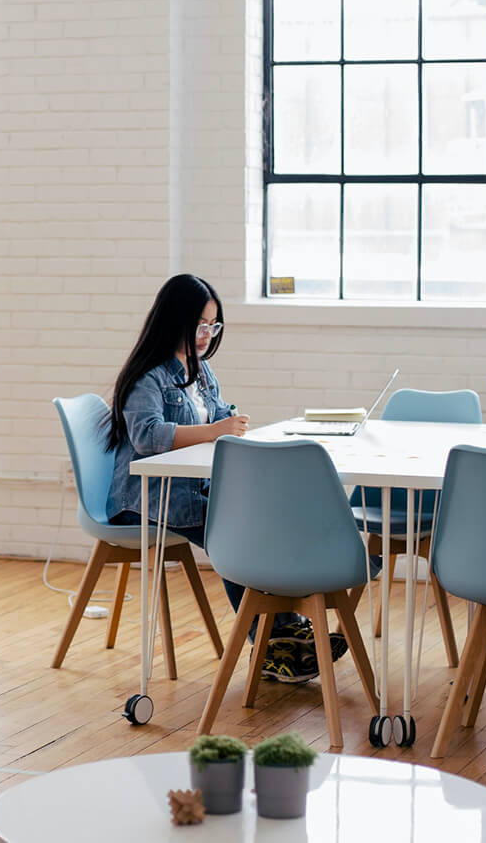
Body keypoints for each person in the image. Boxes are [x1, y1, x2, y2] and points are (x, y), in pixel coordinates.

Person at [105, 273, 344, 683]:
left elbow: (214, 420)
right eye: (200, 324)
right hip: (145, 500)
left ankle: (284, 634)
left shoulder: (202, 372)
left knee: (261, 516)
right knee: (238, 531)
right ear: (173, 319)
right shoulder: (149, 376)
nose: (206, 335)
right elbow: (147, 437)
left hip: (193, 490)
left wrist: (228, 424)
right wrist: (216, 430)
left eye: (213, 326)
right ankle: (273, 642)